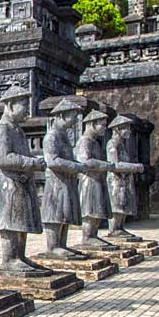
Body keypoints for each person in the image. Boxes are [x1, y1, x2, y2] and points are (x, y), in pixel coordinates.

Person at [0, 85, 47, 273]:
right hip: (10, 184)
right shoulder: (2, 128)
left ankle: (20, 256)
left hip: (21, 182)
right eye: (23, 104)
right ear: (10, 105)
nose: (27, 110)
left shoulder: (17, 130)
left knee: (21, 221)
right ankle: (9, 259)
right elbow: (1, 158)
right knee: (10, 222)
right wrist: (31, 162)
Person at [41, 99, 89, 258]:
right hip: (56, 182)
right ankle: (53, 246)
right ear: (61, 115)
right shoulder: (51, 136)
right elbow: (52, 161)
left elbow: (67, 157)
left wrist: (77, 165)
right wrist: (76, 167)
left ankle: (61, 244)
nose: (75, 120)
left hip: (66, 180)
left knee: (65, 212)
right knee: (56, 213)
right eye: (72, 116)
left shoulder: (64, 136)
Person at [74, 110, 116, 247]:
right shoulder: (84, 141)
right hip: (89, 181)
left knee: (97, 210)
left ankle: (93, 235)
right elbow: (85, 161)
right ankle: (87, 237)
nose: (104, 128)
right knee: (90, 210)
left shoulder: (95, 143)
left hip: (97, 179)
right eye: (102, 125)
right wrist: (106, 165)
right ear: (92, 124)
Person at [106, 115, 145, 238]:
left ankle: (120, 228)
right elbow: (115, 165)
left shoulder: (122, 145)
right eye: (125, 128)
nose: (128, 131)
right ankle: (114, 229)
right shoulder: (112, 144)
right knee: (117, 205)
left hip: (124, 179)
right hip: (116, 180)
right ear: (117, 129)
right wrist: (134, 167)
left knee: (123, 205)